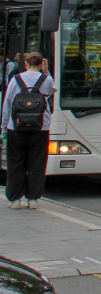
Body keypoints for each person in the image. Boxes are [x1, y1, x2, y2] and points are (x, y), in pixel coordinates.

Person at [3, 53, 55, 209]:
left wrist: (4, 126)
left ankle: (14, 199)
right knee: (37, 163)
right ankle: (33, 199)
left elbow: (8, 103)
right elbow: (53, 90)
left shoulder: (15, 80)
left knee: (16, 162)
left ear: (25, 64)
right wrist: (46, 72)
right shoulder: (46, 80)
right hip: (40, 127)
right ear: (41, 64)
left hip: (16, 127)